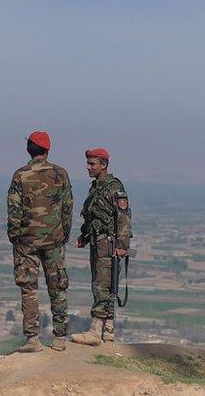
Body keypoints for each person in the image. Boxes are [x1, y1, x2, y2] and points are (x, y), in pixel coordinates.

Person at [7, 130, 73, 352]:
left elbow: (14, 209)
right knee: (58, 287)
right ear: (47, 150)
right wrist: (63, 234)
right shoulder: (60, 174)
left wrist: (14, 236)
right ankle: (60, 338)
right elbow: (67, 207)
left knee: (29, 289)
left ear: (29, 149)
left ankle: (33, 339)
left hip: (26, 241)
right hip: (54, 240)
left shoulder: (21, 175)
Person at [70, 147, 131, 346]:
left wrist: (122, 245)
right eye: (88, 163)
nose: (88, 167)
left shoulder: (114, 187)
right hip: (98, 241)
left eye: (92, 164)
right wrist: (84, 236)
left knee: (102, 285)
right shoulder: (97, 187)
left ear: (103, 165)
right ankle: (108, 330)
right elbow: (93, 217)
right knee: (103, 283)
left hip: (108, 243)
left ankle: (96, 330)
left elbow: (123, 218)